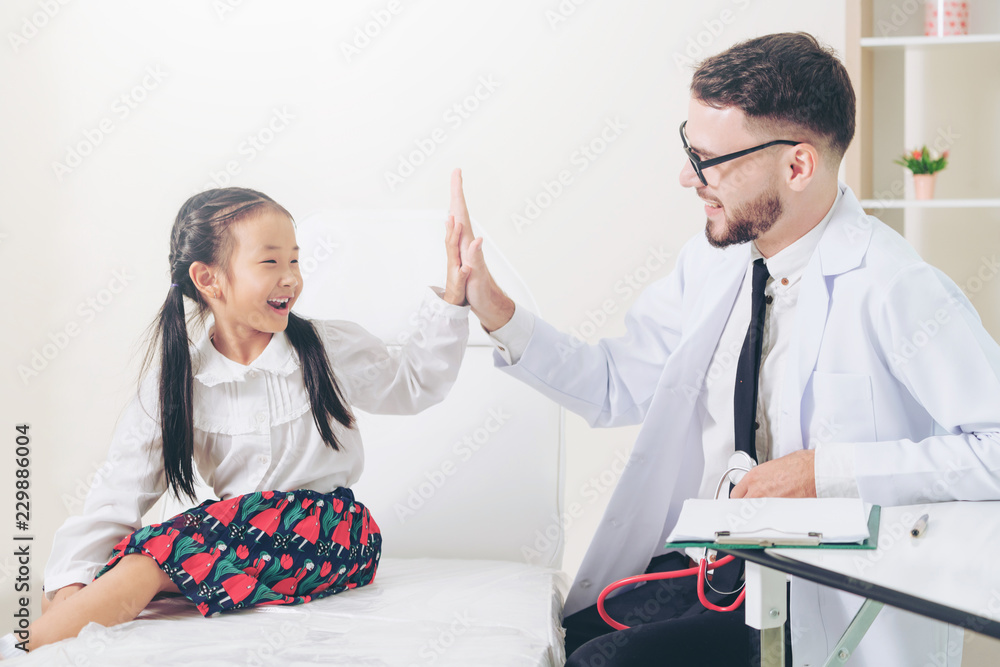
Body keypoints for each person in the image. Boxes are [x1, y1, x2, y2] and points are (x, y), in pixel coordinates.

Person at [449, 32, 1000, 666]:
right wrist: (495, 309)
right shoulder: (712, 266)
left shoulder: (895, 288)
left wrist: (825, 473)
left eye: (711, 159)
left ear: (797, 167)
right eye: (690, 148)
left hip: (815, 605)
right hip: (715, 571)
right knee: (572, 639)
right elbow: (613, 385)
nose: (688, 177)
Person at [1, 186, 472, 658]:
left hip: (332, 531)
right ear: (209, 279)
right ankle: (47, 643)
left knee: (146, 566)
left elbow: (414, 384)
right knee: (116, 568)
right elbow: (119, 489)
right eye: (270, 263)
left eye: (294, 261)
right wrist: (69, 585)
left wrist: (453, 297)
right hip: (244, 541)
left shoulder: (325, 349)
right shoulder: (178, 382)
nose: (290, 278)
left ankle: (19, 652)